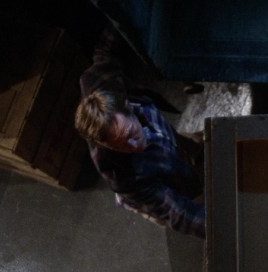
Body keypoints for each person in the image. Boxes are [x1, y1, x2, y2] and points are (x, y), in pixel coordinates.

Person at [74, 26, 206, 238]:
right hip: (146, 187)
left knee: (179, 144)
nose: (134, 147)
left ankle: (193, 149)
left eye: (131, 134)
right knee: (173, 196)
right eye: (120, 146)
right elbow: (179, 214)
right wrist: (223, 228)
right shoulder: (126, 178)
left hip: (161, 137)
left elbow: (106, 48)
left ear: (128, 106)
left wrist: (127, 21)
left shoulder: (101, 81)